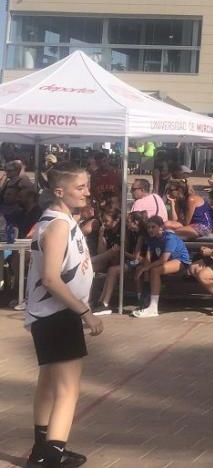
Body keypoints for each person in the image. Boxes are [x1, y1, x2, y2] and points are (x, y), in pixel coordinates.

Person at [24, 162, 102, 468]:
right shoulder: (56, 224)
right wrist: (86, 313)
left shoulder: (64, 220)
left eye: (86, 186)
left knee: (48, 383)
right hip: (57, 314)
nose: (86, 192)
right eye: (79, 187)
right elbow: (51, 278)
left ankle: (41, 450)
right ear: (60, 192)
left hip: (53, 315)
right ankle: (51, 456)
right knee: (68, 390)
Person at [132, 216, 192, 319]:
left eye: (153, 227)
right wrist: (144, 268)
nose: (150, 230)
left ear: (161, 227)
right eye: (148, 227)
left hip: (181, 261)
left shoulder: (169, 237)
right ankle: (144, 303)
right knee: (144, 270)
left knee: (155, 271)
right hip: (167, 262)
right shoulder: (152, 239)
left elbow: (164, 259)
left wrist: (147, 268)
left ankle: (153, 308)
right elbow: (148, 257)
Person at [92, 212, 149, 315]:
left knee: (113, 270)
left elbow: (136, 257)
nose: (127, 224)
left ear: (136, 222)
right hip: (135, 260)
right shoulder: (133, 233)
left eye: (128, 222)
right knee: (111, 270)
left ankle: (105, 303)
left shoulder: (141, 236)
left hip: (140, 261)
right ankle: (102, 301)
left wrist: (121, 251)